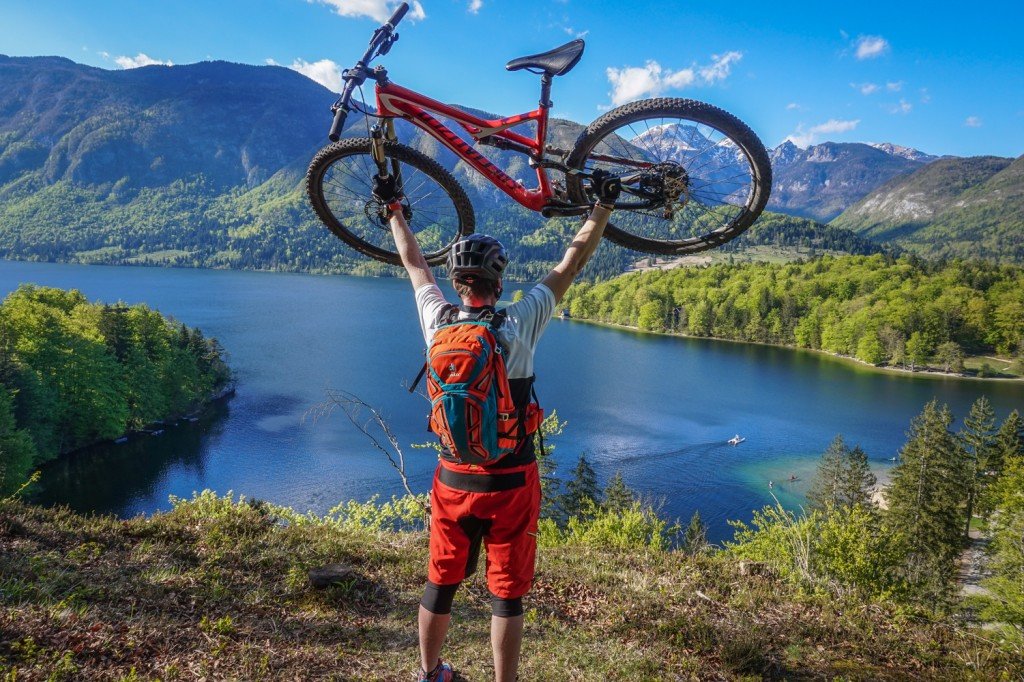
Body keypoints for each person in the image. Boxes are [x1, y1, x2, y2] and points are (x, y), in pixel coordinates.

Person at [373, 170, 620, 682]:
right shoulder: (519, 322)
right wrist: (601, 209)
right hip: (511, 481)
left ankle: (430, 673)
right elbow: (570, 263)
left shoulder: (438, 321)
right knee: (507, 593)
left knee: (440, 582)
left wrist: (395, 211)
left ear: (459, 284)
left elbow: (415, 265)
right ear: (499, 282)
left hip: (452, 480)